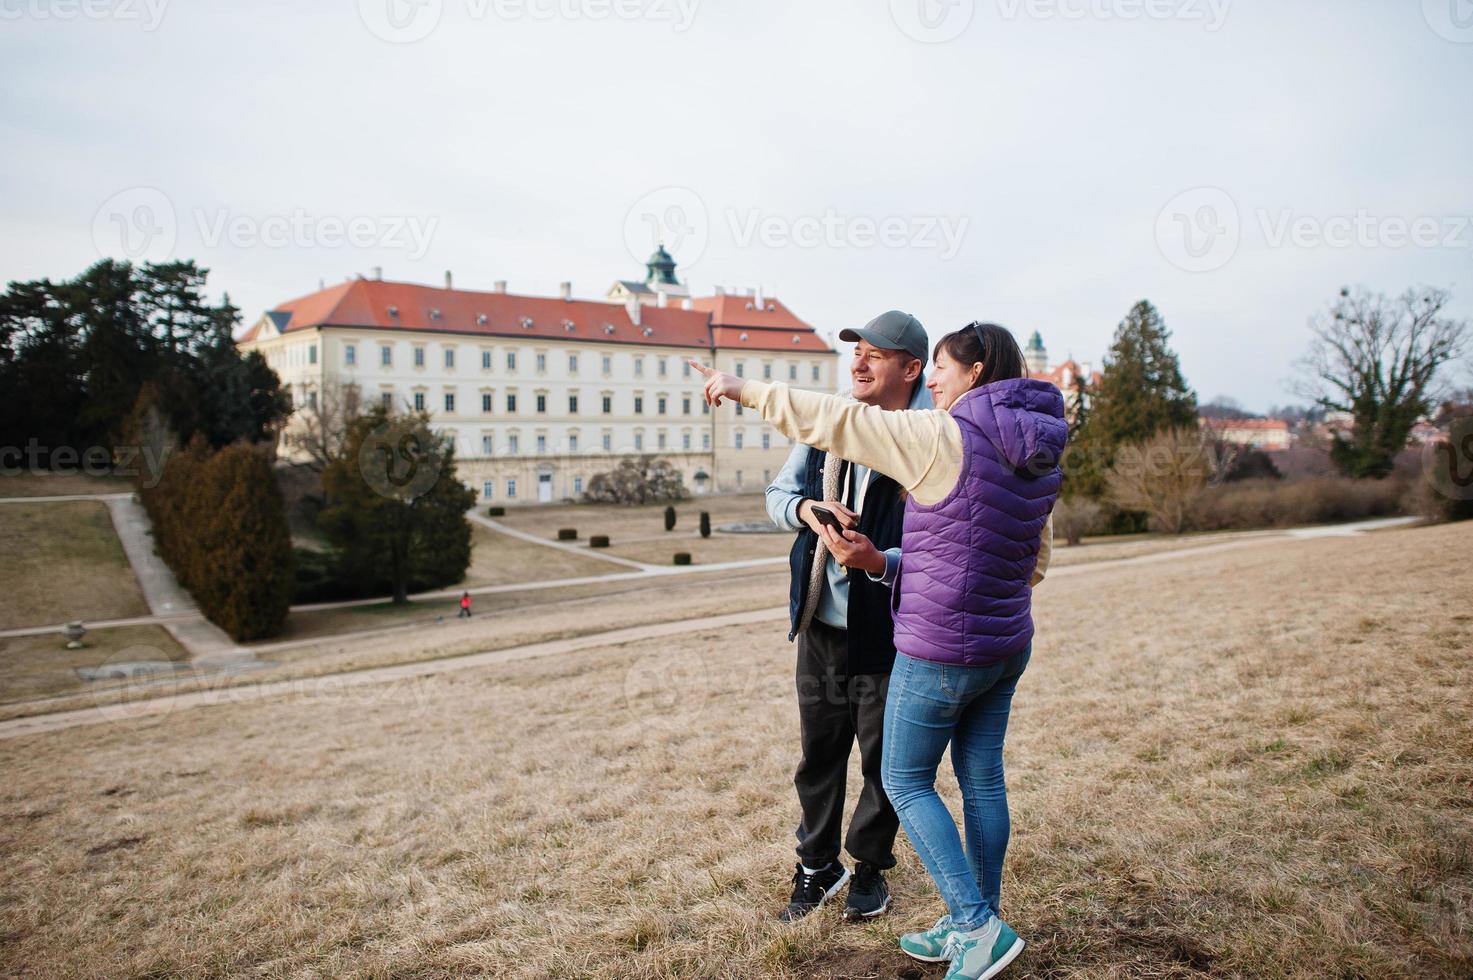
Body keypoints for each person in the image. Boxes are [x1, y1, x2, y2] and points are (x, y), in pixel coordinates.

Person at [691, 322, 1062, 980]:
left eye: (943, 369)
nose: (938, 382)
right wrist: (886, 561)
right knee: (980, 783)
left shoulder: (940, 433)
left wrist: (741, 387)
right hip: (1005, 644)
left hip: (941, 645)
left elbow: (830, 417)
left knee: (902, 779)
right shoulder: (1037, 449)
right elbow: (1032, 563)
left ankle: (974, 926)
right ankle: (976, 921)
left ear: (970, 373)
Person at [765, 311, 933, 923]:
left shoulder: (930, 436)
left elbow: (946, 543)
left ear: (911, 369)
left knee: (885, 761)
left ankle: (868, 869)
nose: (857, 364)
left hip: (893, 628)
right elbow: (776, 498)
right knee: (818, 755)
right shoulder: (827, 424)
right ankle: (817, 867)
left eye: (874, 355)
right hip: (820, 624)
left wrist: (877, 559)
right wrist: (810, 509)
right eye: (854, 353)